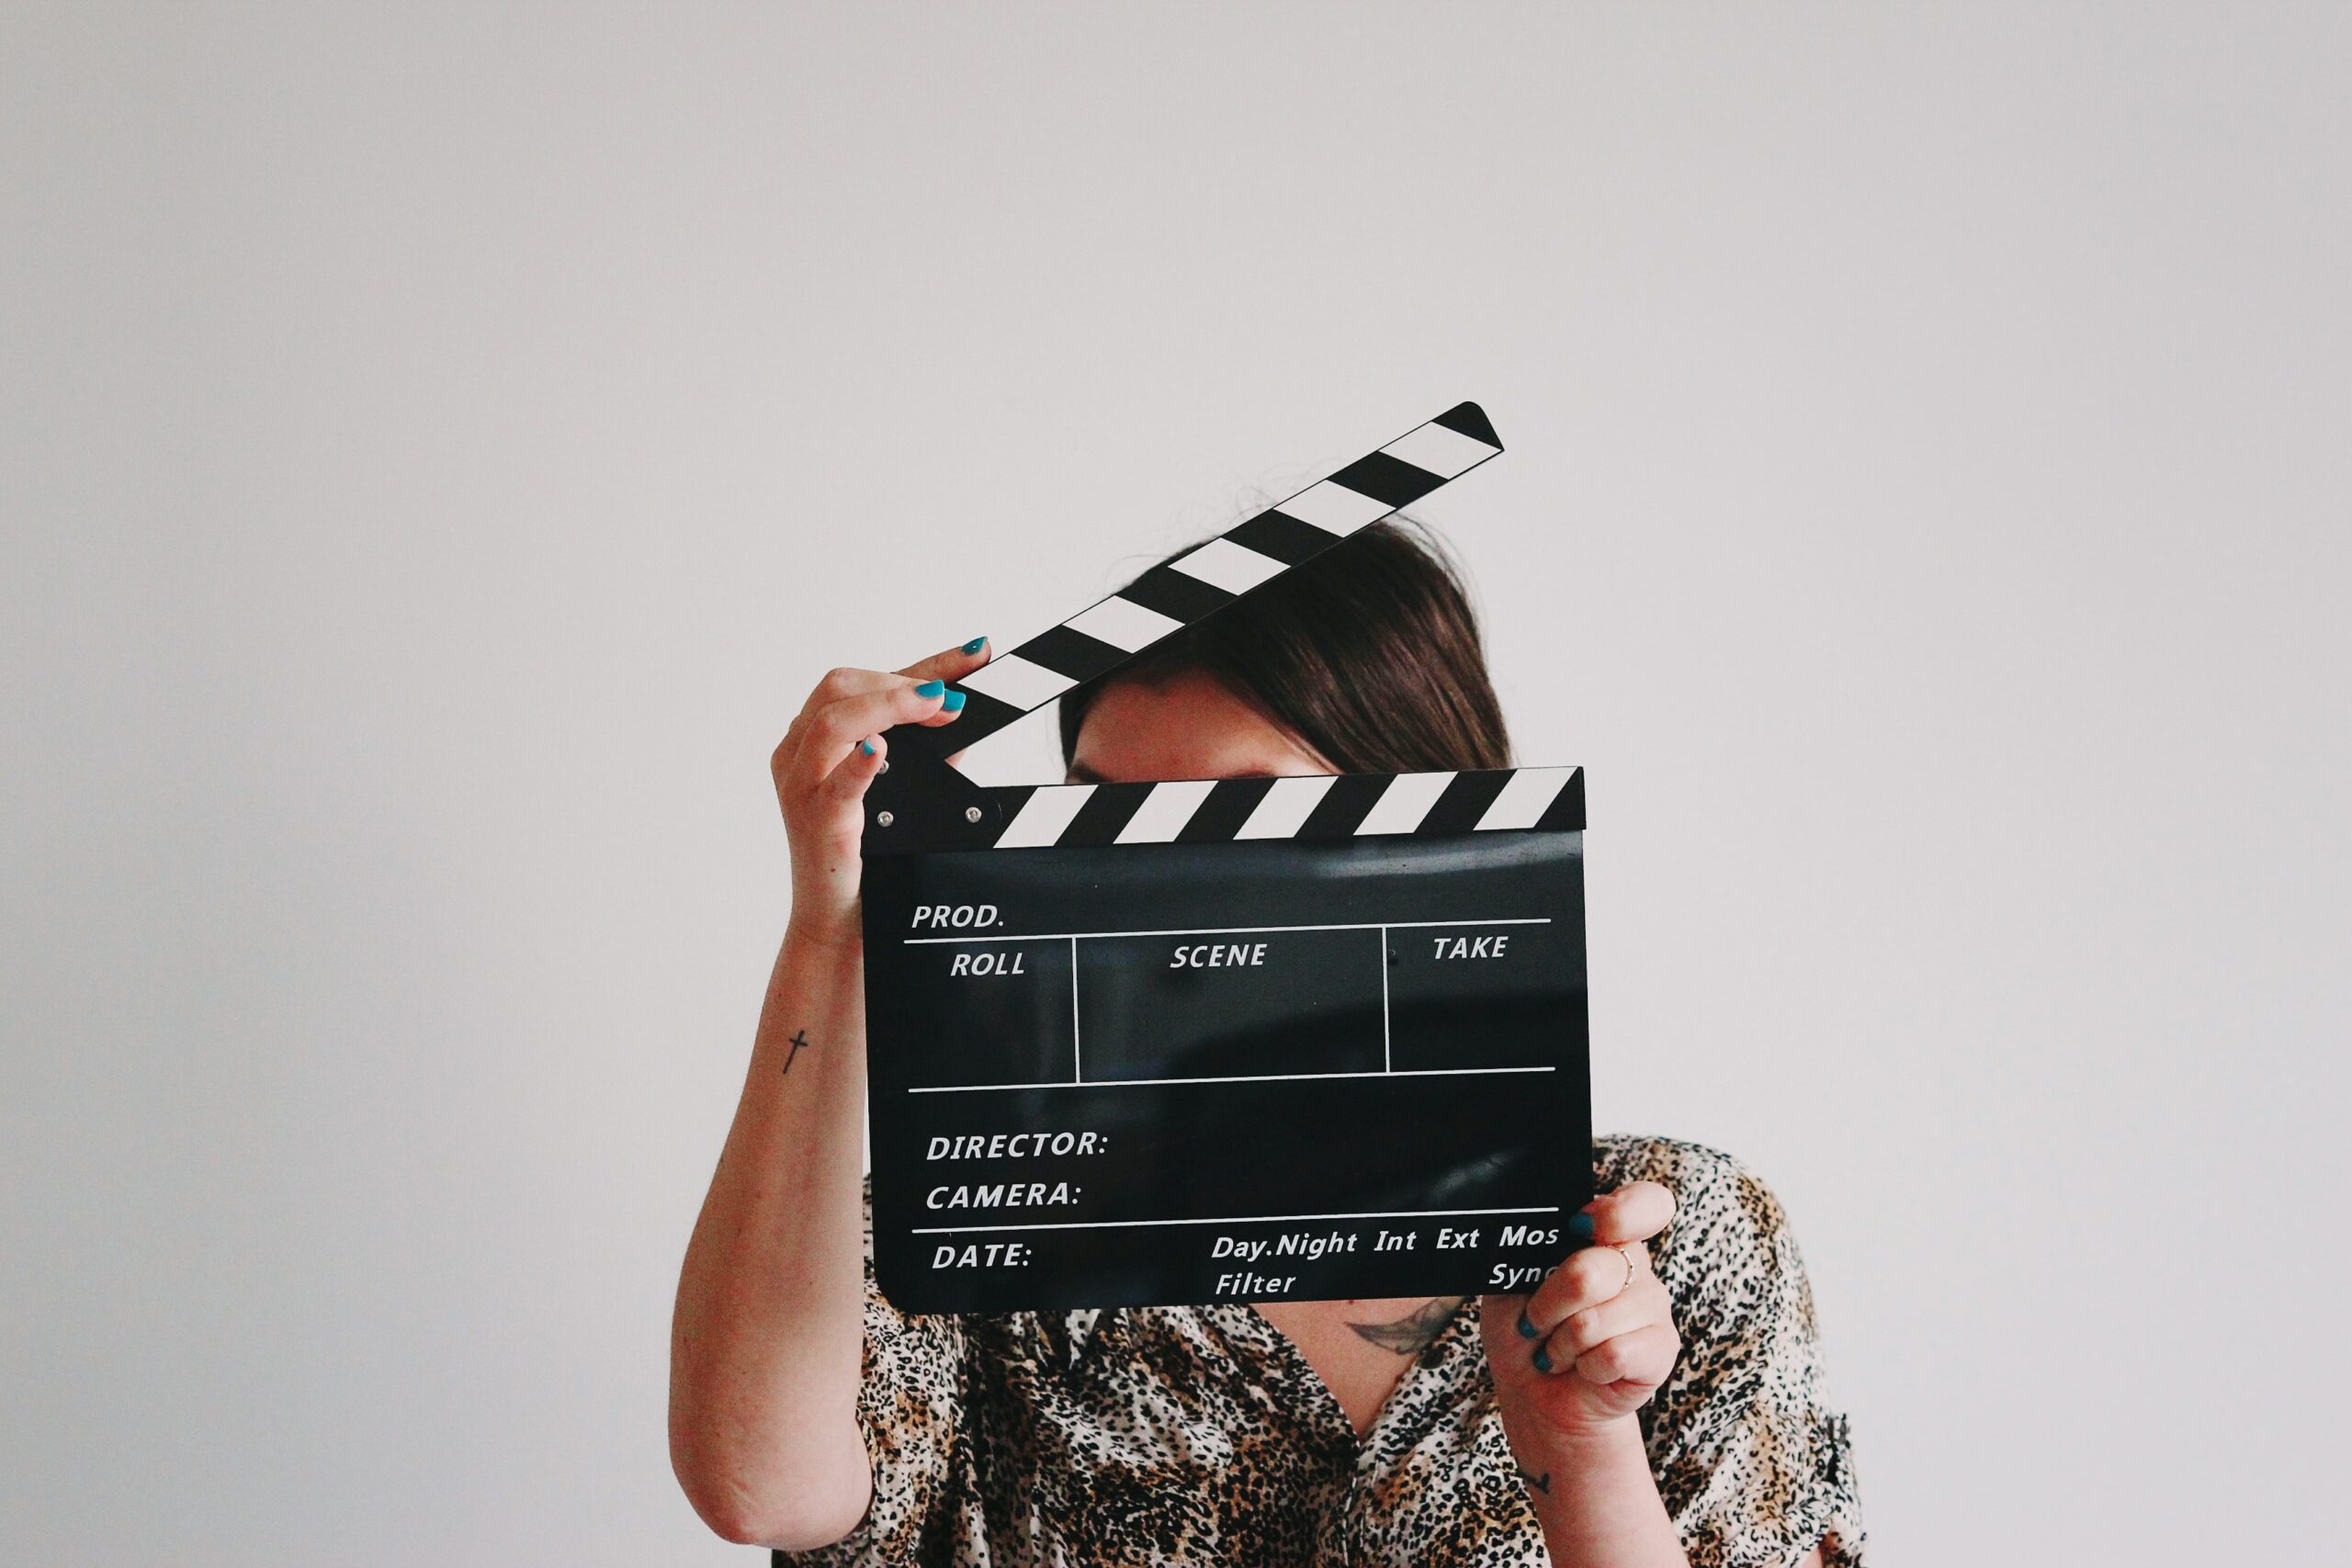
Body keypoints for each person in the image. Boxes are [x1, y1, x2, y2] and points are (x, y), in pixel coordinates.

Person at [670, 519, 1865, 1566]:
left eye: (1238, 817)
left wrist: (1581, 1448)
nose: (1150, 898)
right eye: (1101, 819)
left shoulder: (1666, 1245)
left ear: (1428, 834)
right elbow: (757, 1484)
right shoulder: (981, 1222)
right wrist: (835, 926)